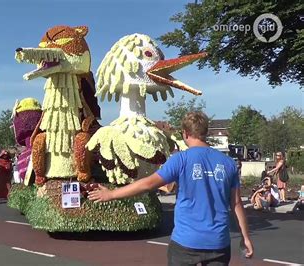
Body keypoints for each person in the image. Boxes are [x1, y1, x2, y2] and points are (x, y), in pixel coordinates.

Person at [88, 111, 254, 264]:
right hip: (218, 243)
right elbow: (236, 204)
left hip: (186, 243)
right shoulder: (228, 163)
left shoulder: (180, 160)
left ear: (185, 133)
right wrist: (245, 237)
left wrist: (111, 194)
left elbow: (146, 184)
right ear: (206, 133)